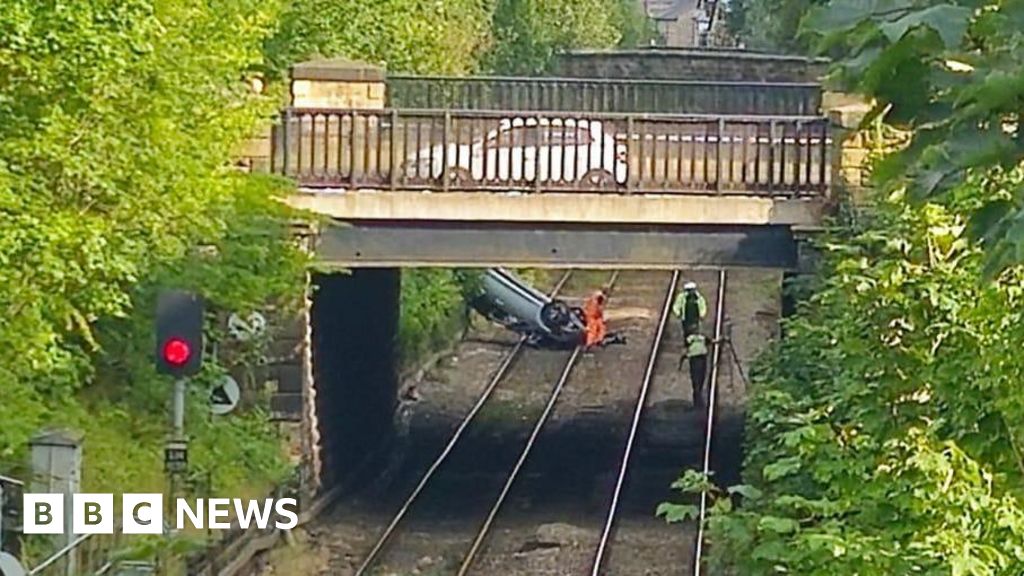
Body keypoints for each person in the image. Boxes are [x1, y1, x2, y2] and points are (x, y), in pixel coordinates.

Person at [683, 332, 709, 408]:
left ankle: (697, 398)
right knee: (699, 378)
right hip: (698, 358)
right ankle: (698, 398)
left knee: (697, 379)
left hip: (696, 358)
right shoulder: (698, 338)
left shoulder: (694, 338)